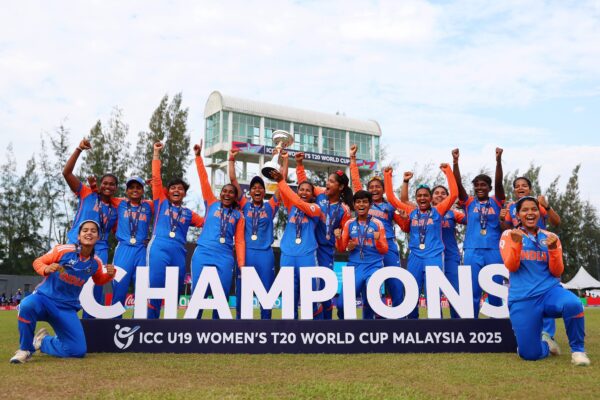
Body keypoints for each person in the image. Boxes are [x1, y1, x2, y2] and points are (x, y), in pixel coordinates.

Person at [499, 196, 590, 366]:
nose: (530, 213)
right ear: (518, 215)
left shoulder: (550, 236)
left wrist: (553, 249)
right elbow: (511, 266)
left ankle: (578, 351)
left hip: (550, 293)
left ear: (539, 213)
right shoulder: (508, 235)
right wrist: (517, 244)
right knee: (529, 354)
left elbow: (557, 271)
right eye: (525, 210)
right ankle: (546, 345)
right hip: (523, 298)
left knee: (573, 303)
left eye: (534, 209)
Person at [10, 220, 116, 363]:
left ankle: (43, 341)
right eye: (85, 230)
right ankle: (25, 350)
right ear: (78, 236)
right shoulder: (63, 250)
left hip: (66, 308)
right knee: (26, 305)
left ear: (98, 237)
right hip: (44, 299)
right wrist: (46, 269)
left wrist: (109, 275)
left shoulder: (95, 263)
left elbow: (99, 280)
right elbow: (38, 262)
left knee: (77, 351)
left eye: (93, 231)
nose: (89, 233)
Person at [384, 163, 458, 318]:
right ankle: (412, 325)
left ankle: (436, 326)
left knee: (433, 294)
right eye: (419, 196)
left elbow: (453, 195)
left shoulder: (438, 210)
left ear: (430, 198)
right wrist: (388, 176)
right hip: (415, 257)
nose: (422, 198)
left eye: (425, 195)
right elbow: (391, 198)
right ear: (416, 198)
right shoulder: (411, 211)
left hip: (434, 256)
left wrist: (448, 172)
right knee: (412, 293)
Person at [349, 144, 410, 316]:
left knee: (395, 283)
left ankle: (401, 319)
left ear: (383, 189)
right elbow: (356, 182)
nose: (374, 189)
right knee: (370, 288)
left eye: (378, 186)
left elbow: (405, 227)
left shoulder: (389, 206)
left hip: (388, 246)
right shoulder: (364, 204)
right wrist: (353, 159)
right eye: (371, 187)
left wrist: (404, 217)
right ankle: (369, 323)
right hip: (369, 247)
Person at [147, 142, 204, 319]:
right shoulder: (161, 202)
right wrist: (156, 153)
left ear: (184, 193)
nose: (176, 190)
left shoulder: (188, 213)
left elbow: (207, 223)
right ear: (168, 192)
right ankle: (150, 324)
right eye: (173, 188)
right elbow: (156, 178)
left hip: (179, 252)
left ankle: (170, 327)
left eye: (180, 188)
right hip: (159, 248)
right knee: (155, 287)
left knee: (176, 290)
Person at [501, 176, 563, 340]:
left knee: (547, 288)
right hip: (521, 251)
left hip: (542, 250)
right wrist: (502, 218)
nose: (521, 188)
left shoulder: (538, 204)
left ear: (530, 188)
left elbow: (557, 222)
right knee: (523, 291)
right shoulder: (511, 207)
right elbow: (505, 228)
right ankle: (529, 334)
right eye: (517, 186)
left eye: (524, 185)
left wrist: (547, 206)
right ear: (514, 190)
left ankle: (548, 335)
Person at [63, 138, 118, 318]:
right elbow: (66, 172)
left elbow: (121, 231)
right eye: (105, 183)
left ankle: (90, 325)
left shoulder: (115, 209)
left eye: (112, 184)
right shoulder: (87, 194)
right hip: (75, 244)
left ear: (116, 188)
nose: (108, 186)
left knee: (95, 287)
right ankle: (65, 322)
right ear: (100, 185)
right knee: (67, 284)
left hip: (99, 249)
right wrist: (79, 149)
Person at [295, 152, 352, 319]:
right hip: (310, 247)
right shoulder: (319, 194)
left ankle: (327, 325)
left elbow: (343, 240)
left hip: (326, 251)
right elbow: (304, 186)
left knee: (325, 290)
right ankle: (311, 322)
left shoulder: (344, 210)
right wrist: (299, 164)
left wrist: (339, 237)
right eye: (328, 180)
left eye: (332, 181)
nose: (327, 183)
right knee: (309, 287)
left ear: (340, 187)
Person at [193, 139, 245, 319]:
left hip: (224, 257)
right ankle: (192, 329)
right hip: (203, 253)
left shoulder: (238, 216)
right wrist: (198, 157)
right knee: (197, 297)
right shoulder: (211, 203)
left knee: (221, 298)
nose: (227, 194)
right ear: (220, 193)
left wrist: (241, 264)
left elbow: (239, 241)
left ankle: (218, 332)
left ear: (235, 197)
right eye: (224, 191)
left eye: (231, 192)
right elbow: (204, 180)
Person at [401, 176, 466, 318]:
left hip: (450, 256)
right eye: (436, 193)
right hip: (430, 255)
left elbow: (469, 220)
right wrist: (405, 181)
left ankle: (458, 323)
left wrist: (465, 206)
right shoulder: (418, 212)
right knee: (426, 289)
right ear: (431, 197)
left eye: (443, 193)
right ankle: (431, 320)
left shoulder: (452, 213)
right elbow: (404, 201)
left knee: (454, 290)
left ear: (448, 197)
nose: (440, 195)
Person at [228, 148, 283, 319]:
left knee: (266, 294)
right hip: (247, 254)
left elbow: (282, 185)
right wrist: (231, 160)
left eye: (260, 187)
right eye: (254, 188)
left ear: (264, 191)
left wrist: (283, 160)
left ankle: (266, 327)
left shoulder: (270, 206)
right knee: (243, 293)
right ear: (250, 192)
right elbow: (233, 180)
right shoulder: (244, 205)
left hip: (265, 254)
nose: (257, 190)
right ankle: (241, 327)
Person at [452, 148, 506, 317]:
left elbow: (499, 183)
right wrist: (455, 162)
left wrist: (498, 161)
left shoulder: (497, 201)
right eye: (476, 185)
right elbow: (458, 184)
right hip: (472, 250)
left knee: (495, 291)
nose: (479, 188)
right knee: (472, 291)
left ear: (489, 188)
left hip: (494, 251)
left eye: (483, 185)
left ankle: (496, 326)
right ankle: (472, 325)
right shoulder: (469, 203)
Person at [270, 169, 323, 319]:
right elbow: (284, 191)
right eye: (301, 189)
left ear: (313, 195)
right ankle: (291, 328)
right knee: (289, 297)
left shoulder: (315, 209)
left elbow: (297, 200)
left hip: (306, 256)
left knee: (310, 297)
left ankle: (315, 328)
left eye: (308, 190)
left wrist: (281, 181)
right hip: (287, 256)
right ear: (297, 191)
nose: (304, 192)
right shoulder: (291, 207)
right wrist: (284, 164)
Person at [334, 190, 388, 319]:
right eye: (358, 202)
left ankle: (368, 328)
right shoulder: (349, 223)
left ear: (370, 205)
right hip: (355, 266)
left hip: (373, 266)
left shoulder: (377, 223)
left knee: (372, 301)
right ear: (354, 204)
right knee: (341, 305)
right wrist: (339, 239)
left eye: (365, 202)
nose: (361, 204)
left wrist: (377, 240)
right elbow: (341, 248)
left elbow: (384, 250)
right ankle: (344, 326)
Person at [110, 177, 154, 314]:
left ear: (143, 191)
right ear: (126, 191)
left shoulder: (149, 205)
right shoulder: (119, 203)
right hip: (124, 248)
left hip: (141, 250)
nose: (135, 190)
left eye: (138, 188)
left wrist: (154, 185)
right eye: (131, 187)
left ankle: (139, 322)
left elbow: (163, 202)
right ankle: (115, 322)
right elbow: (101, 195)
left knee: (142, 288)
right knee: (119, 286)